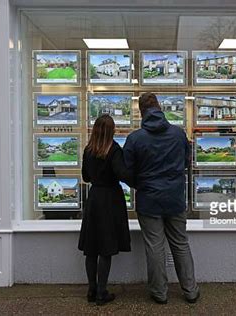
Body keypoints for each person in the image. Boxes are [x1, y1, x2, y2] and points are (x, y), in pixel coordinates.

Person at [123, 93, 200, 304]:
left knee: (155, 247)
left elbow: (127, 171)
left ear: (141, 111)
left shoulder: (135, 138)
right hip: (175, 198)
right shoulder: (178, 134)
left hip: (149, 200)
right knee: (180, 244)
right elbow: (186, 162)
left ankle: (159, 293)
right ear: (159, 107)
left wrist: (140, 184)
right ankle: (191, 290)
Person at [78, 114, 133, 306]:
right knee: (106, 248)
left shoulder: (88, 150)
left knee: (91, 248)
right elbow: (122, 174)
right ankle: (102, 292)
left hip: (94, 199)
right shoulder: (114, 150)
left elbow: (85, 177)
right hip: (110, 199)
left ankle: (91, 290)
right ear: (112, 131)